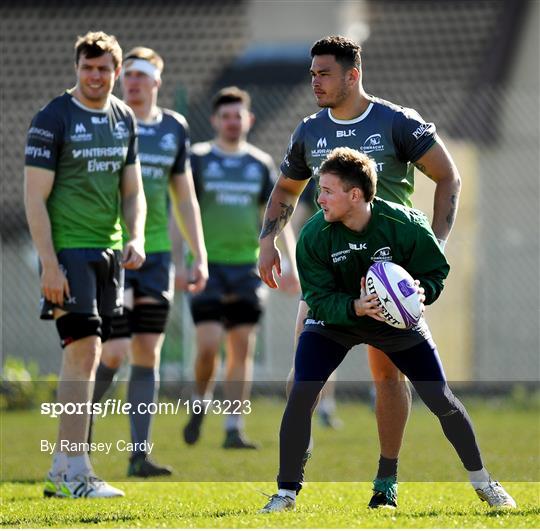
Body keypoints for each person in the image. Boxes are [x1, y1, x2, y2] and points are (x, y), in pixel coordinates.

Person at [258, 35, 462, 507]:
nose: (315, 82)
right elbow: (287, 190)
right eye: (312, 74)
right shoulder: (309, 130)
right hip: (329, 273)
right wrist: (268, 240)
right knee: (302, 374)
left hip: (388, 273)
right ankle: (290, 482)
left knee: (388, 377)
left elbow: (448, 175)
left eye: (324, 73)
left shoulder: (397, 122)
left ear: (353, 75)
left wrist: (434, 246)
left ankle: (386, 480)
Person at [259, 147, 516, 512]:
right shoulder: (315, 234)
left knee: (440, 398)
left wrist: (425, 290)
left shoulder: (405, 224)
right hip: (335, 319)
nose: (319, 198)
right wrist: (354, 306)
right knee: (302, 391)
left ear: (355, 194)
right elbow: (316, 296)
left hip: (394, 322)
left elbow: (435, 270)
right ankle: (286, 492)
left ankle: (483, 481)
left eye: (327, 191)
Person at [24, 31, 146, 498]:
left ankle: (62, 468)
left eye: (103, 69)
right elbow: (34, 198)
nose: (94, 76)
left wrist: (135, 235)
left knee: (90, 355)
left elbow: (132, 191)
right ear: (77, 69)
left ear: (116, 73)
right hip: (68, 252)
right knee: (84, 351)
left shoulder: (123, 118)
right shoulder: (52, 118)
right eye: (87, 68)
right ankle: (75, 470)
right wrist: (49, 264)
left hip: (109, 252)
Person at [88, 47, 208, 478]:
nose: (133, 82)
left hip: (155, 257)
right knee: (115, 350)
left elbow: (185, 196)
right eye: (129, 75)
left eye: (141, 75)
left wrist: (198, 252)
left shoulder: (174, 128)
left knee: (147, 351)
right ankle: (81, 425)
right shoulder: (105, 120)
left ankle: (139, 455)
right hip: (111, 251)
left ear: (157, 81)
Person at [182, 86, 299, 449]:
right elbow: (180, 210)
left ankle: (234, 426)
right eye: (226, 116)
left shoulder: (259, 164)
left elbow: (280, 216)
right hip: (208, 267)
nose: (233, 122)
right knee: (208, 345)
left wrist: (290, 262)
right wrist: (179, 258)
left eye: (239, 116)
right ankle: (200, 402)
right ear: (215, 120)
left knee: (241, 348)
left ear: (249, 120)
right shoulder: (198, 159)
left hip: (246, 269)